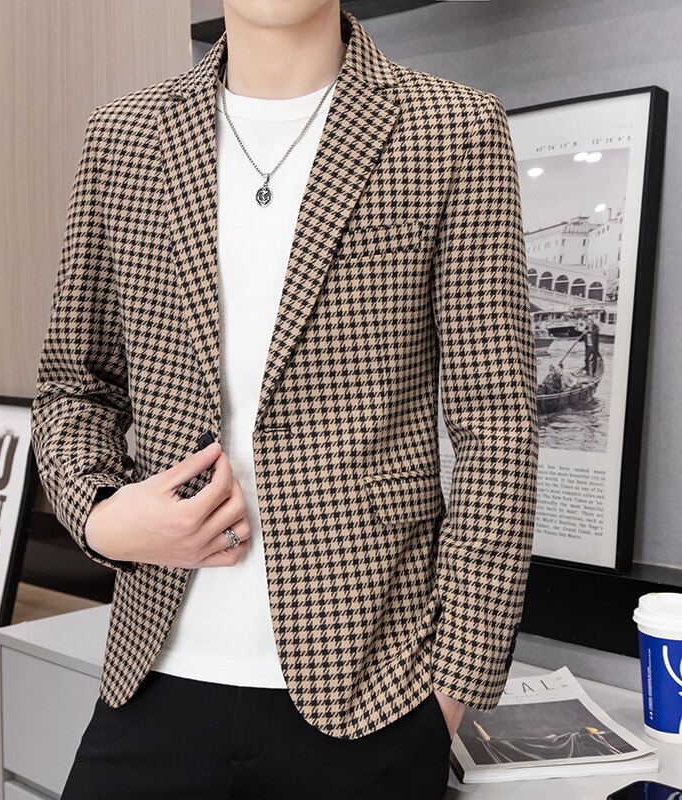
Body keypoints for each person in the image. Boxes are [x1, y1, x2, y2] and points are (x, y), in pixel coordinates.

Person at [30, 3, 538, 798]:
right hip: (153, 674)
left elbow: (497, 424)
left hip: (373, 689)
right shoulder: (123, 137)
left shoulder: (453, 128)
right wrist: (100, 516)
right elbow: (74, 383)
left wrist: (453, 686)